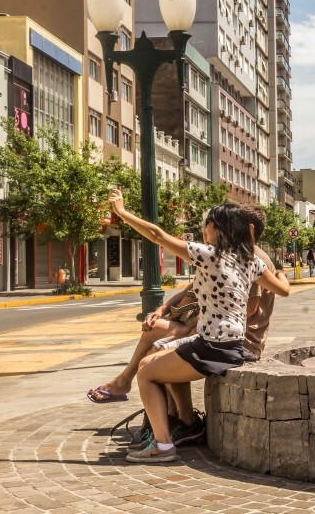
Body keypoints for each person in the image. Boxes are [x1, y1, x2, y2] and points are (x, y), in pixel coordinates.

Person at [107, 188, 291, 464]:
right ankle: (183, 422)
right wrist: (281, 272)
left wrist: (122, 212)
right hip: (229, 344)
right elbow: (283, 290)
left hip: (214, 347)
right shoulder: (251, 262)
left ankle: (164, 445)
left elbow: (157, 235)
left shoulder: (208, 255)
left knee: (146, 373)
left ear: (219, 229)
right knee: (155, 354)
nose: (204, 229)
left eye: (208, 224)